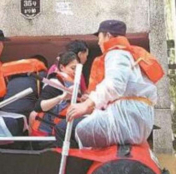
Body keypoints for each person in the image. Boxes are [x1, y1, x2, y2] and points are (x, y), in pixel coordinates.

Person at [55, 20, 165, 148]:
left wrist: (86, 105)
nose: (98, 42)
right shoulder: (131, 54)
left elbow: (114, 85)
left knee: (63, 128)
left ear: (108, 36)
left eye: (100, 37)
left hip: (125, 121)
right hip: (135, 120)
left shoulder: (116, 53)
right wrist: (92, 101)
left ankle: (76, 167)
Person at [30, 52, 82, 137]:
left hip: (62, 133)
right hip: (45, 134)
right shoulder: (54, 83)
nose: (75, 72)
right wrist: (61, 97)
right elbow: (39, 106)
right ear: (62, 67)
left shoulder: (74, 84)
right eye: (73, 68)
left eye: (78, 69)